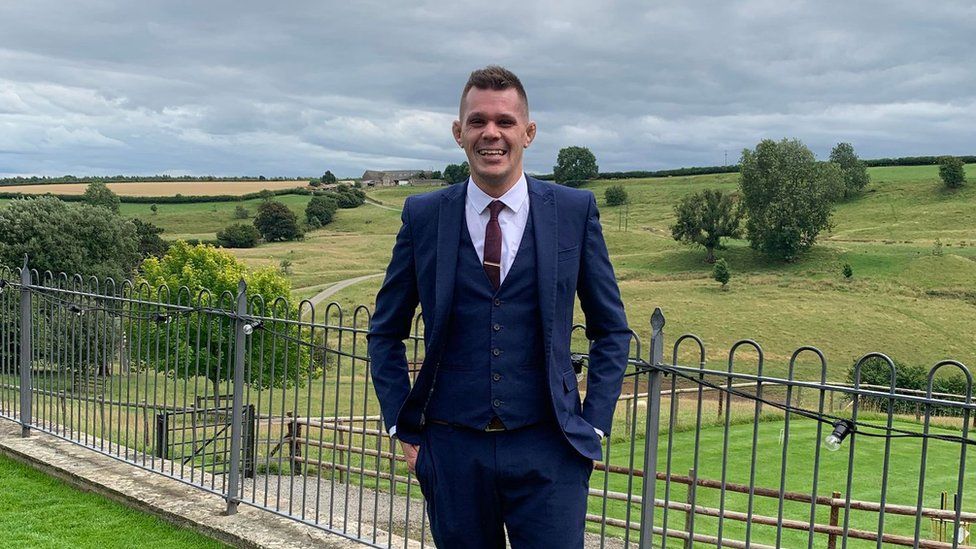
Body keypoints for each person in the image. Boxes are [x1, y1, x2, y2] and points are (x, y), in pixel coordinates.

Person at [367, 65, 630, 548]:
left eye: (506, 122)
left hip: (550, 446)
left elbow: (611, 329)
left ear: (528, 133)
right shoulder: (424, 216)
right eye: (478, 121)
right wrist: (400, 425)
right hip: (450, 448)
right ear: (458, 132)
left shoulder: (574, 211)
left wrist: (592, 424)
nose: (492, 133)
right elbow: (385, 331)